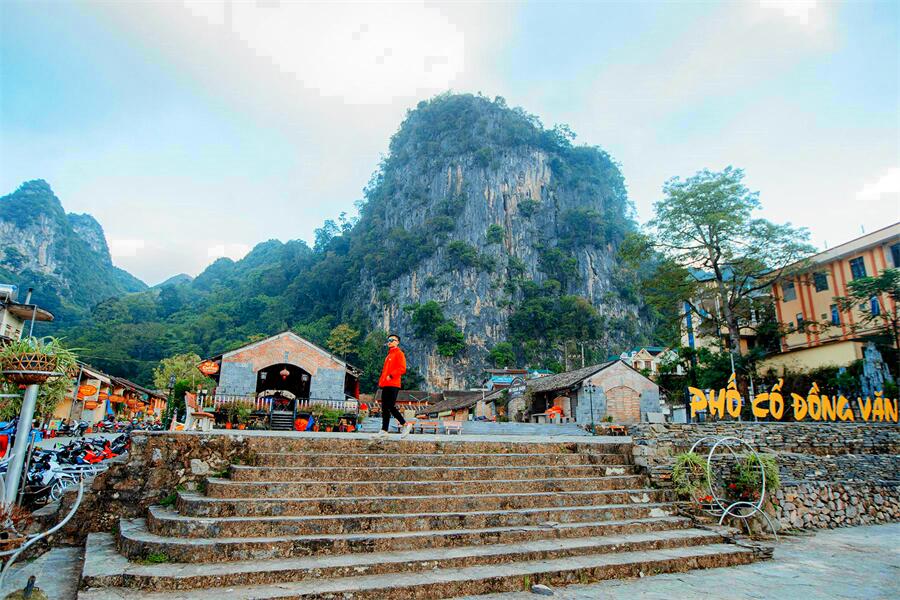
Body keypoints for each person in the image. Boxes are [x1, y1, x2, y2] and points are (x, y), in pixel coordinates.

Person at [376, 333, 412, 439]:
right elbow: (384, 371)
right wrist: (382, 382)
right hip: (386, 384)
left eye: (392, 340)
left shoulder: (399, 353)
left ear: (397, 342)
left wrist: (391, 375)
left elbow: (402, 368)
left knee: (390, 406)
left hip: (393, 384)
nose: (390, 342)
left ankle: (405, 424)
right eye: (389, 340)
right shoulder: (388, 355)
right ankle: (384, 430)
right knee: (384, 408)